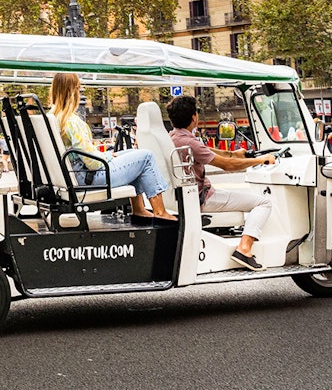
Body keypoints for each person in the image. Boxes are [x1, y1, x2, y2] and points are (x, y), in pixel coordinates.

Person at [166, 95, 276, 271]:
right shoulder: (189, 142)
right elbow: (227, 165)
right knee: (263, 203)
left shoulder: (172, 138)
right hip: (203, 198)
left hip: (191, 195)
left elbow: (210, 152)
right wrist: (261, 160)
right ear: (194, 117)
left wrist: (237, 154)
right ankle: (244, 249)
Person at [49, 73, 175, 220]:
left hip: (75, 175)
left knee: (133, 154)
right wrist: (108, 156)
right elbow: (93, 163)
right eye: (78, 89)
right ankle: (160, 212)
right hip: (89, 179)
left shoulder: (53, 116)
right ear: (73, 92)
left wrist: (109, 156)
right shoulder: (71, 121)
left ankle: (139, 209)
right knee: (146, 156)